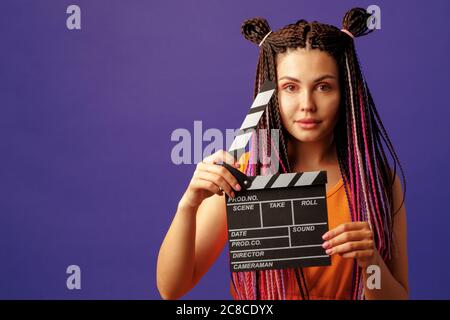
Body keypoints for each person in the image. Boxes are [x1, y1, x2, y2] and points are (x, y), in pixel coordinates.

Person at [157, 7, 408, 300]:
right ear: (272, 93)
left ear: (346, 92)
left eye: (324, 86)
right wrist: (188, 205)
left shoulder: (375, 182)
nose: (307, 104)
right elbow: (171, 288)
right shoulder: (243, 176)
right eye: (290, 87)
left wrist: (371, 263)